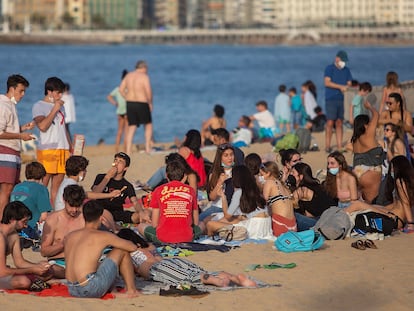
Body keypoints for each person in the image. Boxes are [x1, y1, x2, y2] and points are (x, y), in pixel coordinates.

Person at [64, 200, 140, 298]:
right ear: (101, 218)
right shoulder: (103, 235)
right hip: (89, 288)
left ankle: (115, 289)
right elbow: (132, 247)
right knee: (122, 251)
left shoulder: (70, 236)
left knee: (101, 261)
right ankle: (131, 290)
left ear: (84, 216)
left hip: (72, 288)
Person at [345, 155, 414, 233]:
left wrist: (410, 223)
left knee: (357, 204)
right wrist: (379, 209)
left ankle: (338, 217)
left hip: (396, 219)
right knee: (366, 206)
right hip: (394, 215)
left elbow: (406, 203)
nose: (391, 170)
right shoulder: (407, 181)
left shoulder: (400, 181)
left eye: (392, 168)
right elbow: (397, 205)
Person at [138, 160, 201, 243]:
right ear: (185, 176)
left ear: (166, 176)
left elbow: (154, 224)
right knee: (202, 224)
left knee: (141, 226)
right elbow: (196, 222)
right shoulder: (191, 190)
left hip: (163, 238)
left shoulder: (158, 190)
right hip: (186, 237)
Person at [32, 77, 71, 209]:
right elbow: (42, 126)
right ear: (49, 91)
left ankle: (55, 214)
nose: (60, 96)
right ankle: (38, 213)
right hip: (48, 150)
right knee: (43, 186)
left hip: (63, 149)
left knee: (57, 188)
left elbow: (64, 129)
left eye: (61, 93)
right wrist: (54, 109)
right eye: (58, 92)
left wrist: (71, 147)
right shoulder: (39, 106)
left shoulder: (61, 107)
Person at [205, 165, 273, 240]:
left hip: (254, 227)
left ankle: (210, 239)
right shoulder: (255, 189)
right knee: (225, 220)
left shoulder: (239, 192)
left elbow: (227, 215)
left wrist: (223, 197)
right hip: (266, 225)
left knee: (210, 224)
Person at [0, 74, 34, 217]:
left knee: (10, 189)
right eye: (21, 91)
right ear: (12, 89)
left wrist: (21, 129)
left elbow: (7, 129)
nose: (23, 94)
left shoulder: (10, 105)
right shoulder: (4, 105)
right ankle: (2, 223)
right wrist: (20, 136)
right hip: (6, 151)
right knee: (6, 191)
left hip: (12, 151)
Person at [0, 201, 52, 290]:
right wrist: (32, 270)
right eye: (24, 222)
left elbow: (19, 262)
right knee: (24, 281)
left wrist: (37, 266)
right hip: (2, 271)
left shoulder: (14, 235)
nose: (25, 226)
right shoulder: (1, 236)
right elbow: (3, 271)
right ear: (12, 219)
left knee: (46, 274)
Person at [40, 185, 87, 278]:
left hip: (80, 263)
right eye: (71, 205)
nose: (74, 210)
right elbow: (44, 251)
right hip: (59, 263)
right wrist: (63, 244)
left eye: (77, 206)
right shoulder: (53, 220)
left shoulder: (85, 219)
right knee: (46, 270)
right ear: (64, 200)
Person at [91, 152, 150, 224]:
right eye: (115, 160)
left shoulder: (127, 185)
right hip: (100, 212)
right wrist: (108, 176)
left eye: (120, 161)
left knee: (145, 213)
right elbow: (94, 194)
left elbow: (135, 202)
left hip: (117, 213)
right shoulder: (101, 177)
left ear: (125, 168)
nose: (116, 163)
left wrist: (141, 212)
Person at [54, 155, 121, 212]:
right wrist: (110, 194)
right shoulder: (71, 184)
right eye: (84, 170)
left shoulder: (67, 182)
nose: (85, 172)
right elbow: (89, 194)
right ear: (80, 171)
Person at [351, 101, 384, 203]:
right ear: (365, 125)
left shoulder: (355, 140)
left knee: (364, 203)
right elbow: (376, 115)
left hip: (357, 172)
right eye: (369, 123)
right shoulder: (368, 134)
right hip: (371, 171)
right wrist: (370, 107)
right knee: (373, 203)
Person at [290, 162, 337, 231]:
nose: (291, 175)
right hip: (329, 219)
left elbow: (291, 205)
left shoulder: (303, 190)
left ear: (301, 176)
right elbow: (309, 214)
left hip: (321, 223)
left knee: (293, 215)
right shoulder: (315, 186)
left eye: (293, 173)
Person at [10, 162, 52, 238]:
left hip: (14, 228)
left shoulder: (17, 187)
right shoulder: (41, 189)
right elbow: (44, 216)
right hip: (31, 229)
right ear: (41, 176)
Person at [119, 60, 153, 154]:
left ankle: (128, 150)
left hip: (130, 103)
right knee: (148, 125)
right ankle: (147, 148)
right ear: (144, 68)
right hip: (142, 102)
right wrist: (150, 103)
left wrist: (127, 97)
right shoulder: (144, 77)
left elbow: (121, 89)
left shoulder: (128, 75)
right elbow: (148, 91)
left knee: (132, 126)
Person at [324, 50, 353, 153]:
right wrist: (340, 87)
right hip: (331, 98)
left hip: (342, 99)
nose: (343, 63)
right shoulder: (329, 68)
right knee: (330, 122)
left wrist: (347, 87)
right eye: (342, 60)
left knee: (339, 122)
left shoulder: (347, 70)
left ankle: (340, 146)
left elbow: (349, 83)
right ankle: (327, 146)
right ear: (337, 58)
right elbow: (327, 82)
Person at [261, 161, 296, 237]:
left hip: (280, 223)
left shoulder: (269, 182)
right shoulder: (282, 185)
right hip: (293, 224)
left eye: (262, 174)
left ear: (268, 173)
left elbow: (263, 203)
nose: (261, 177)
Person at [378, 92, 413, 162]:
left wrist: (399, 123)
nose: (388, 105)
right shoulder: (386, 113)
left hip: (402, 140)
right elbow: (378, 122)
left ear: (398, 103)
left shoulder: (406, 114)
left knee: (404, 161)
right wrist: (390, 120)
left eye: (390, 103)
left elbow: (409, 129)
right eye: (387, 103)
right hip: (388, 141)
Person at [107, 69, 128, 153]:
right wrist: (115, 103)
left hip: (119, 111)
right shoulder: (127, 89)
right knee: (126, 132)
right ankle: (125, 149)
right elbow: (109, 96)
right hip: (127, 111)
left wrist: (115, 103)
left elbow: (109, 96)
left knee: (119, 131)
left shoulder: (118, 88)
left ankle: (117, 149)